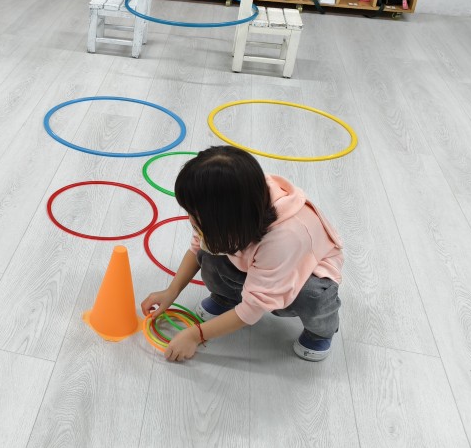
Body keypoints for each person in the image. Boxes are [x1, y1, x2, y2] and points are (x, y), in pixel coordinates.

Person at [141, 145, 343, 362]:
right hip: (256, 257)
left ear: (225, 219)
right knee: (208, 254)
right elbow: (197, 247)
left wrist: (195, 335)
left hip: (305, 273)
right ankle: (226, 299)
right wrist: (171, 291)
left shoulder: (285, 237)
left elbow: (252, 309)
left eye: (195, 214)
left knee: (313, 296)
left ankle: (320, 332)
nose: (190, 219)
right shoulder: (236, 200)